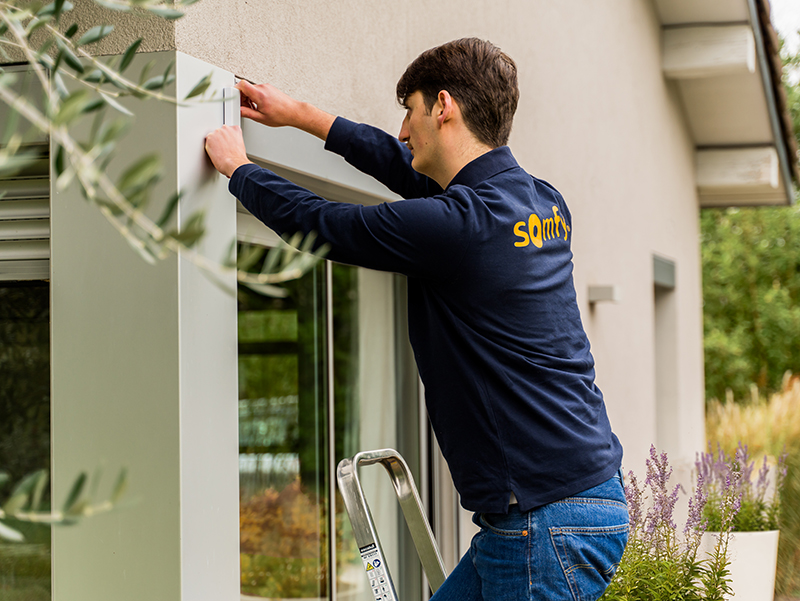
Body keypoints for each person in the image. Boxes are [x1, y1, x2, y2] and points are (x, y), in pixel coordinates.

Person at [205, 37, 628, 601]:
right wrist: (298, 115)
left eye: (410, 111)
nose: (403, 131)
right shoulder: (541, 202)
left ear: (443, 106)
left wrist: (239, 169)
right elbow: (401, 167)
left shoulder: (461, 225)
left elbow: (327, 225)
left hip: (540, 523)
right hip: (569, 502)